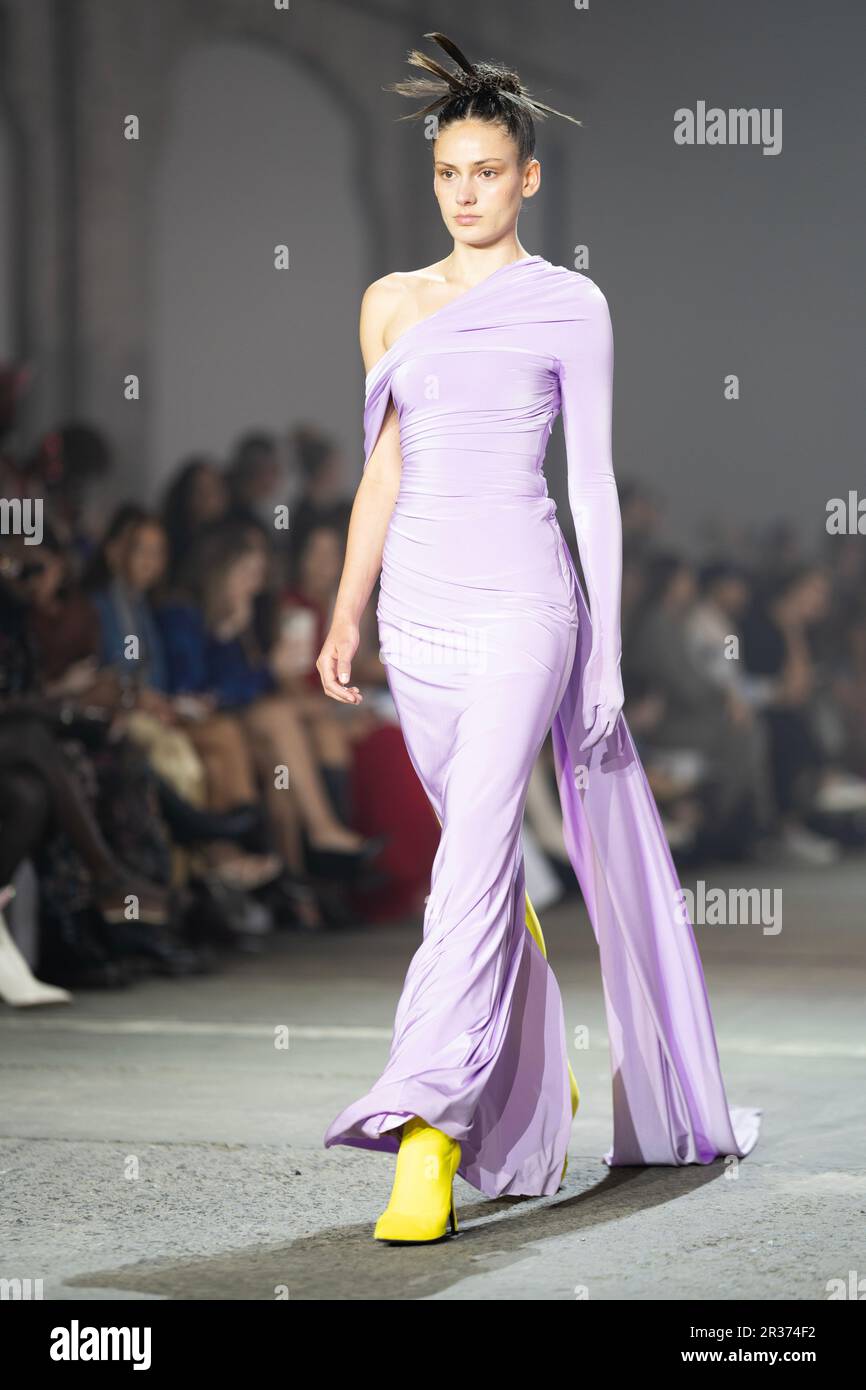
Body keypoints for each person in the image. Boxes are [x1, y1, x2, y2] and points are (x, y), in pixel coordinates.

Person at [319, 31, 761, 1244]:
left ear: (525, 179)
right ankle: (524, 1080)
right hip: (413, 609)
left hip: (525, 604)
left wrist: (606, 653)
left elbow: (595, 486)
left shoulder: (570, 303)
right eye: (447, 171)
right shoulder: (388, 303)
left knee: (466, 867)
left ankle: (426, 1130)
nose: (464, 190)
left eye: (486, 169)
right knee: (478, 867)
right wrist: (347, 608)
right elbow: (383, 473)